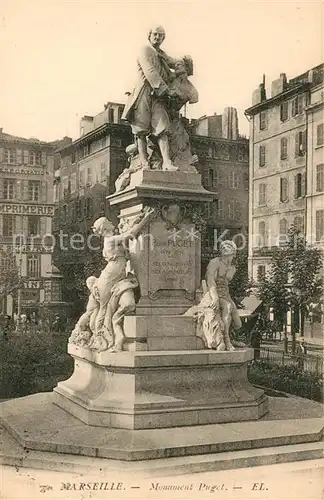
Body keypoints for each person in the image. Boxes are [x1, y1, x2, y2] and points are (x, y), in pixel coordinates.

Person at [122, 25, 181, 171]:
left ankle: (167, 162)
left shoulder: (161, 53)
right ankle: (144, 162)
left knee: (162, 126)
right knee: (140, 129)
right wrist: (166, 90)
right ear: (149, 35)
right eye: (155, 34)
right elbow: (150, 72)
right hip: (144, 92)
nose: (157, 37)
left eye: (161, 35)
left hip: (158, 96)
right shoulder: (145, 50)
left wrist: (181, 64)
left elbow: (172, 61)